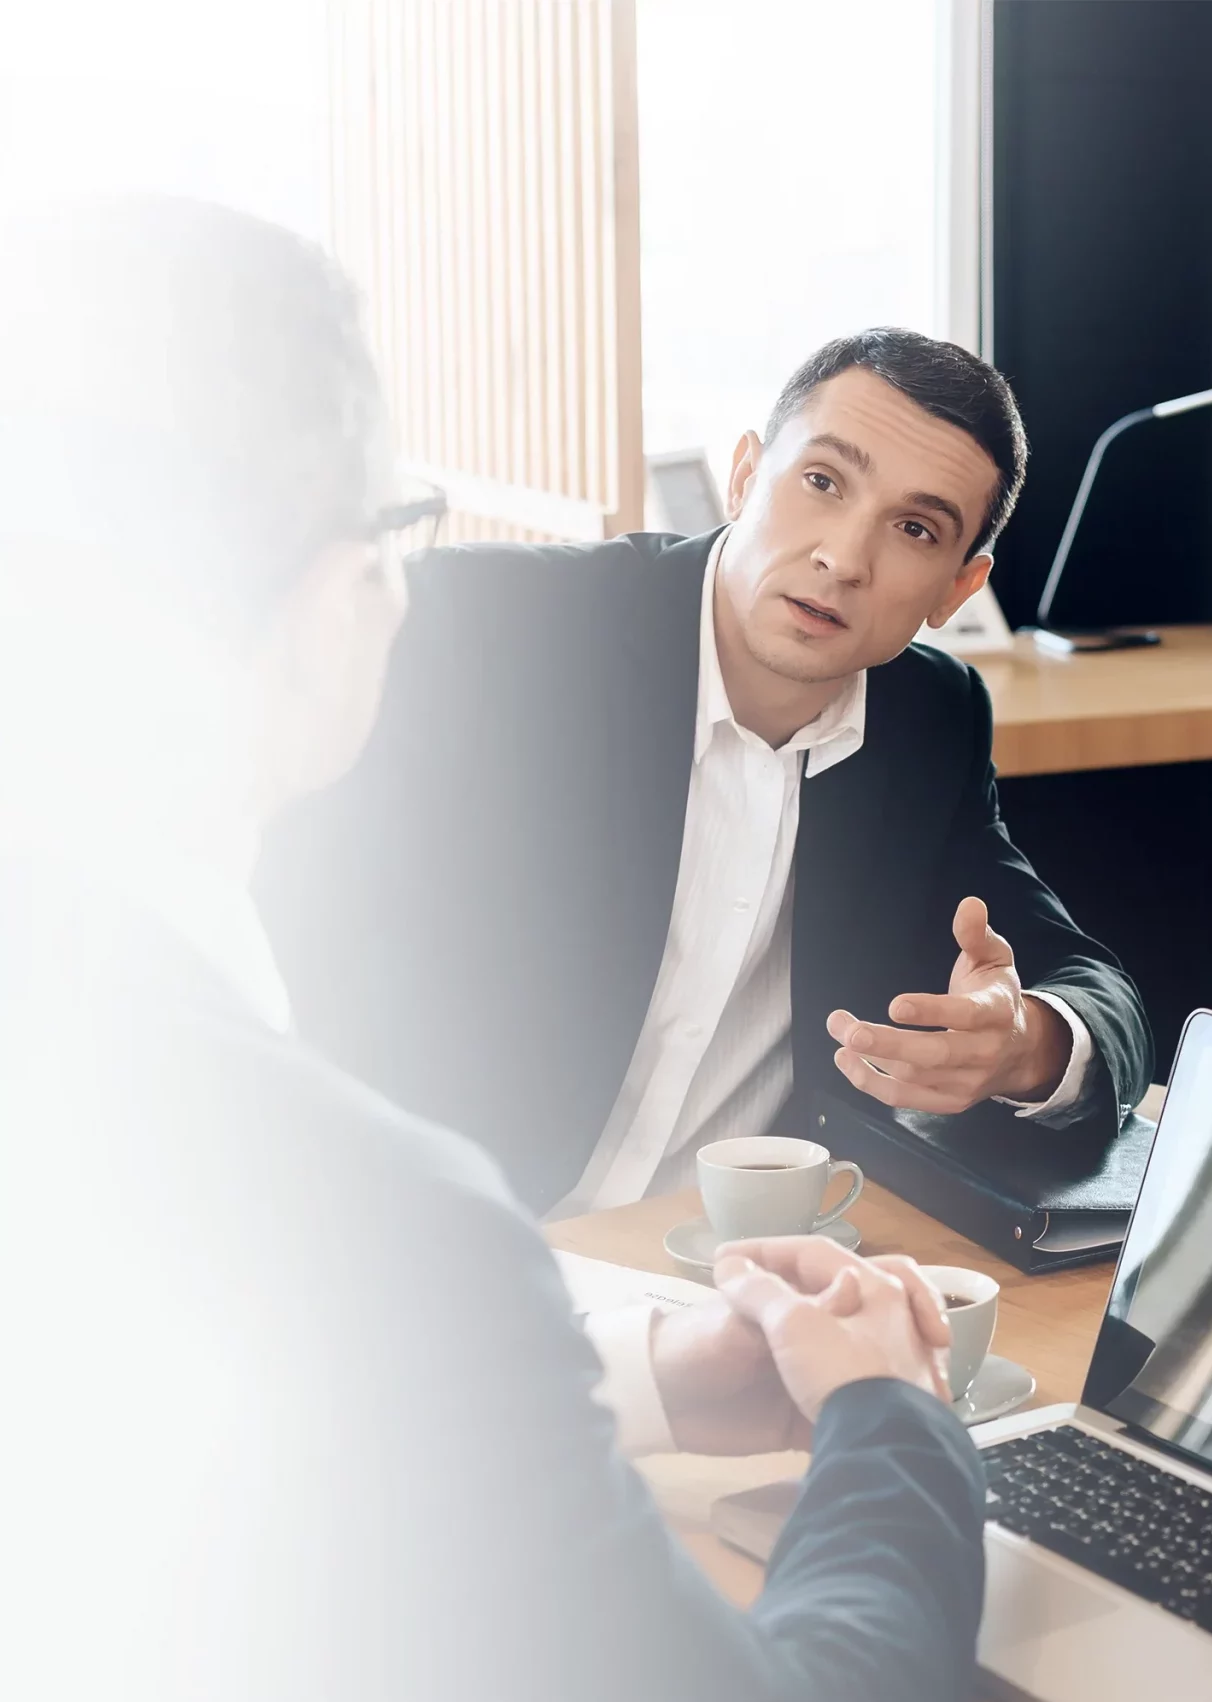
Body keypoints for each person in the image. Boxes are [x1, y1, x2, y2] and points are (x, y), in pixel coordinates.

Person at [0, 197, 987, 1701]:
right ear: (346, 600)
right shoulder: (387, 1214)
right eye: (401, 529)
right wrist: (894, 1423)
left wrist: (645, 1372)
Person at [253, 327, 1150, 1214]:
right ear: (747, 474)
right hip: (426, 1253)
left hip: (719, 1273)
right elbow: (277, 938)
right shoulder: (484, 627)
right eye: (822, 482)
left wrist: (1026, 1043)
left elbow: (1092, 986)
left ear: (957, 589)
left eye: (914, 530)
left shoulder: (928, 723)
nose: (843, 557)